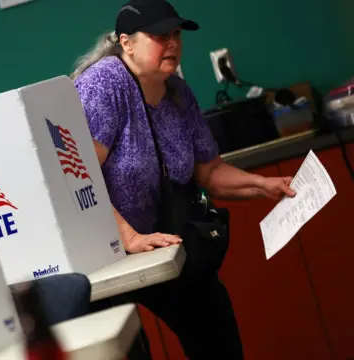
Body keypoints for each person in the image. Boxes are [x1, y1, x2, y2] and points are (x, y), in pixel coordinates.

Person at [71, 0, 296, 359]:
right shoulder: (105, 83)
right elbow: (76, 176)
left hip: (163, 241)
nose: (172, 42)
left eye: (175, 34)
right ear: (127, 43)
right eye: (160, 35)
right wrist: (129, 236)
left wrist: (263, 185)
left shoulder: (177, 91)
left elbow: (210, 172)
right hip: (104, 253)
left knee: (215, 330)